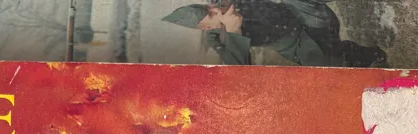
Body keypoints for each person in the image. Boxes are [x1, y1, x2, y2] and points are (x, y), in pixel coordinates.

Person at [162, 1, 386, 67]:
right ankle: (369, 56)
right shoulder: (217, 38)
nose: (216, 11)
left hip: (302, 11)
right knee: (327, 64)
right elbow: (238, 70)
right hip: (295, 44)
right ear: (205, 28)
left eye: (210, 8)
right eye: (211, 16)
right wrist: (234, 31)